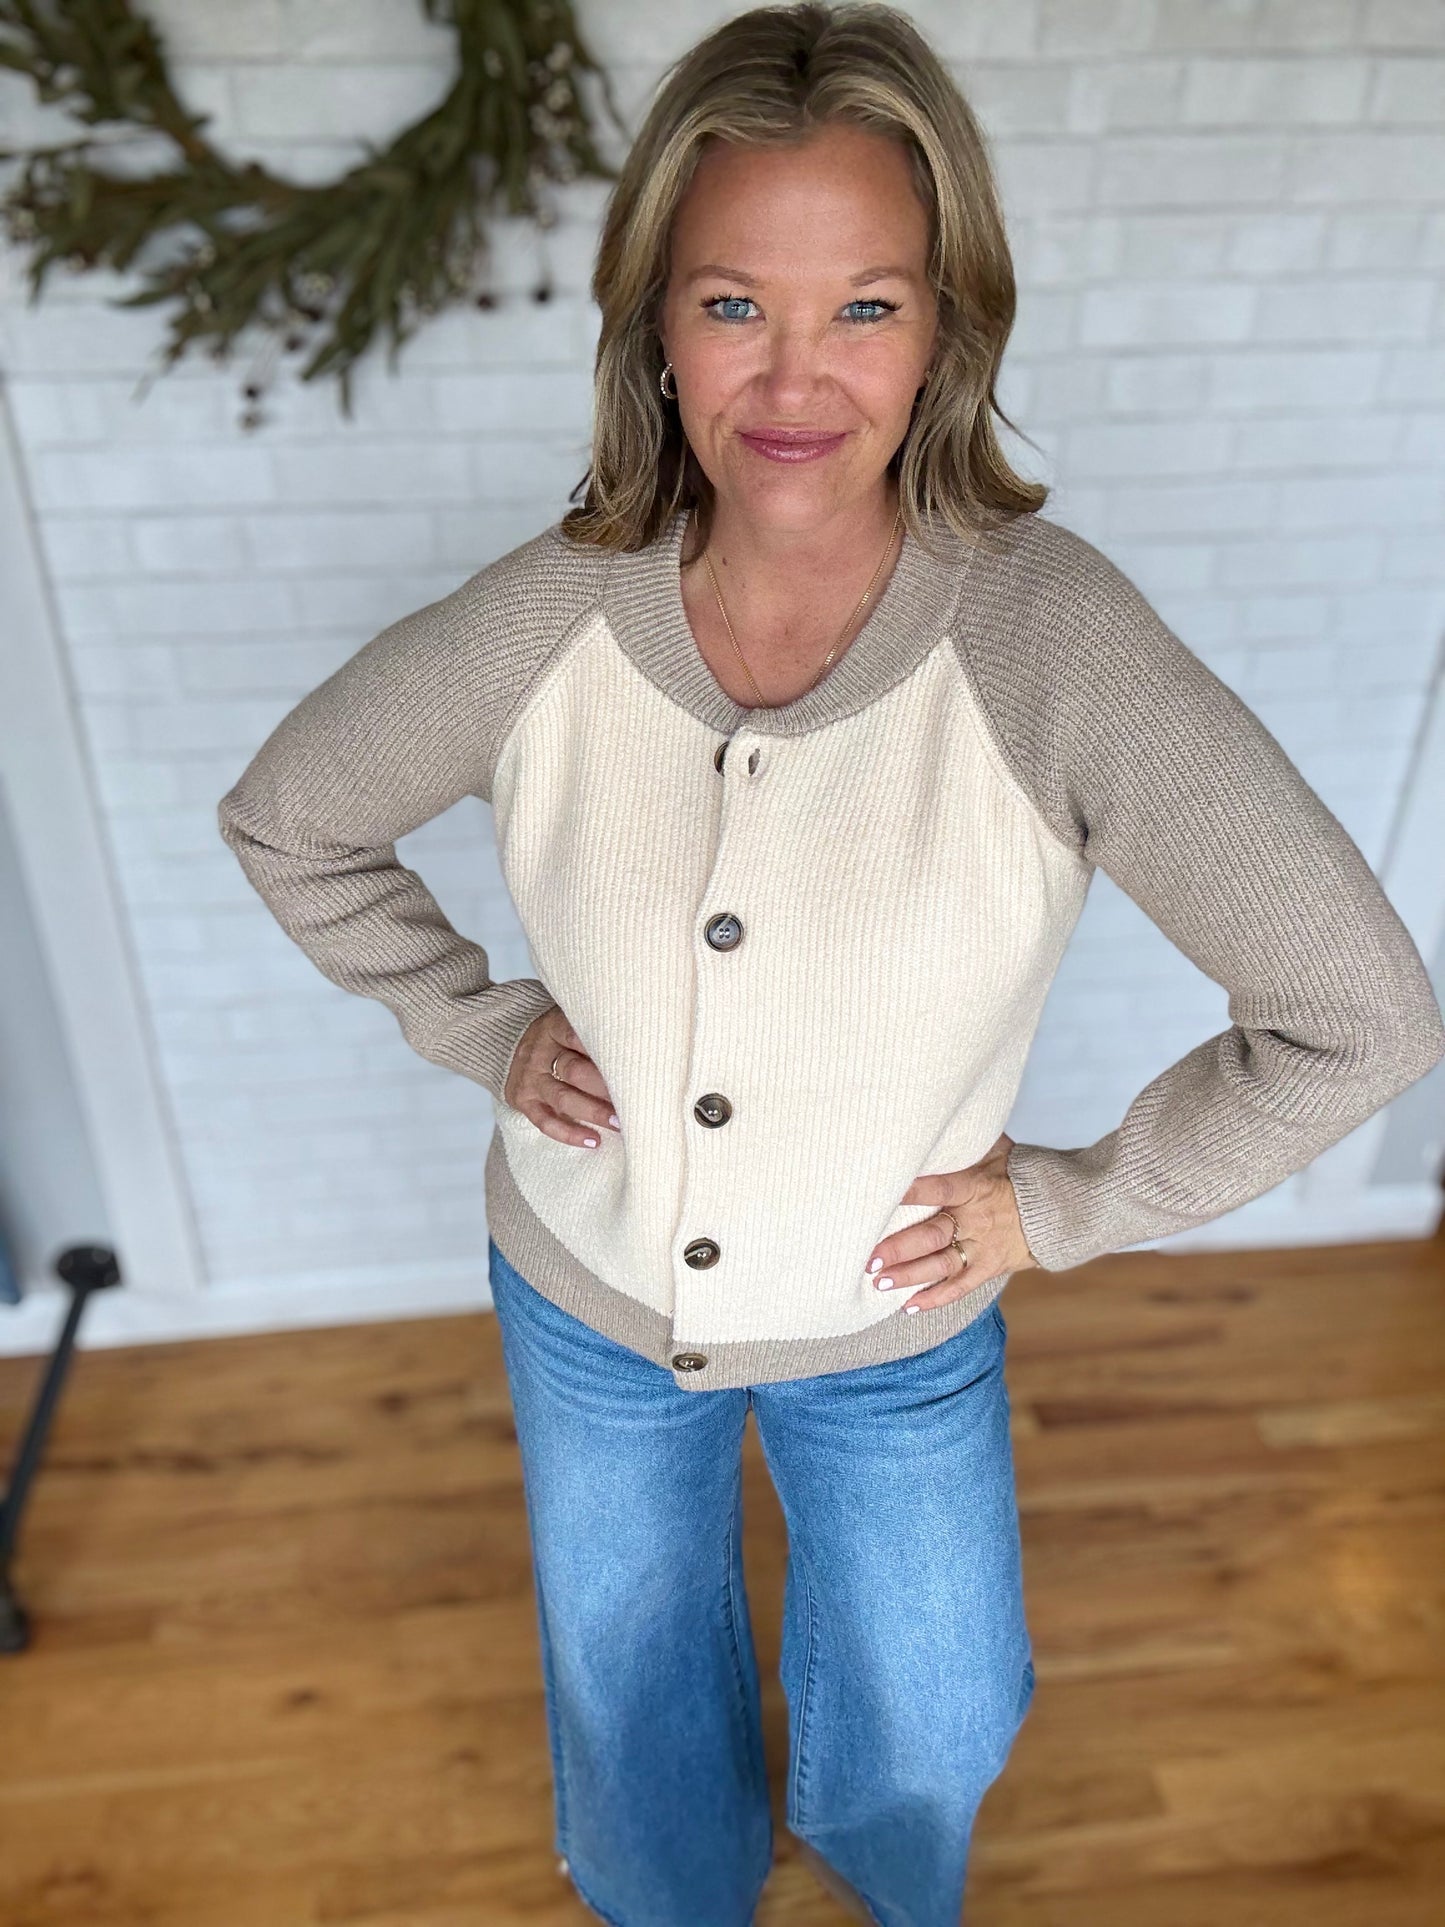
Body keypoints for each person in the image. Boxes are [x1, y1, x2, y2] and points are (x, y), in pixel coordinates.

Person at [216, 6, 1445, 1923]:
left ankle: (891, 1894)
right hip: (589, 1297)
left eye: (864, 307)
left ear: (948, 327)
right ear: (652, 320)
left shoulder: (1048, 641)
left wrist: (1064, 1207)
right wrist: (479, 1025)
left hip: (893, 1328)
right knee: (628, 1698)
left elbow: (1357, 1014)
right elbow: (292, 817)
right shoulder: (551, 616)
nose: (795, 378)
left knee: (934, 1721)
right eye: (733, 305)